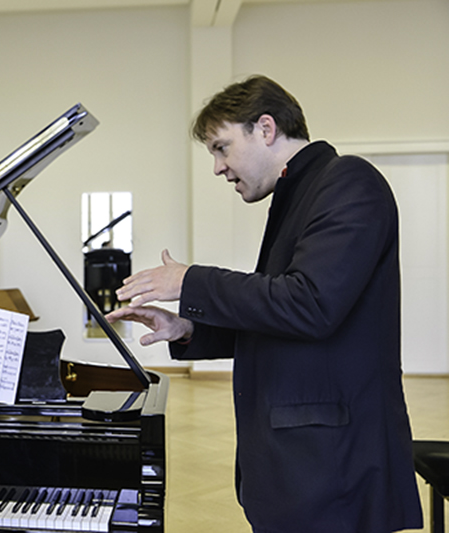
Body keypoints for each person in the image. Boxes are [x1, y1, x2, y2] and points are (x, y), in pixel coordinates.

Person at [107, 75, 423, 532]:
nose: (218, 167)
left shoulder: (348, 181)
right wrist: (188, 329)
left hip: (333, 467)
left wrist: (190, 281)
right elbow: (278, 316)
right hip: (302, 467)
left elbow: (310, 304)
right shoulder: (298, 195)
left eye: (221, 147)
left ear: (266, 128)